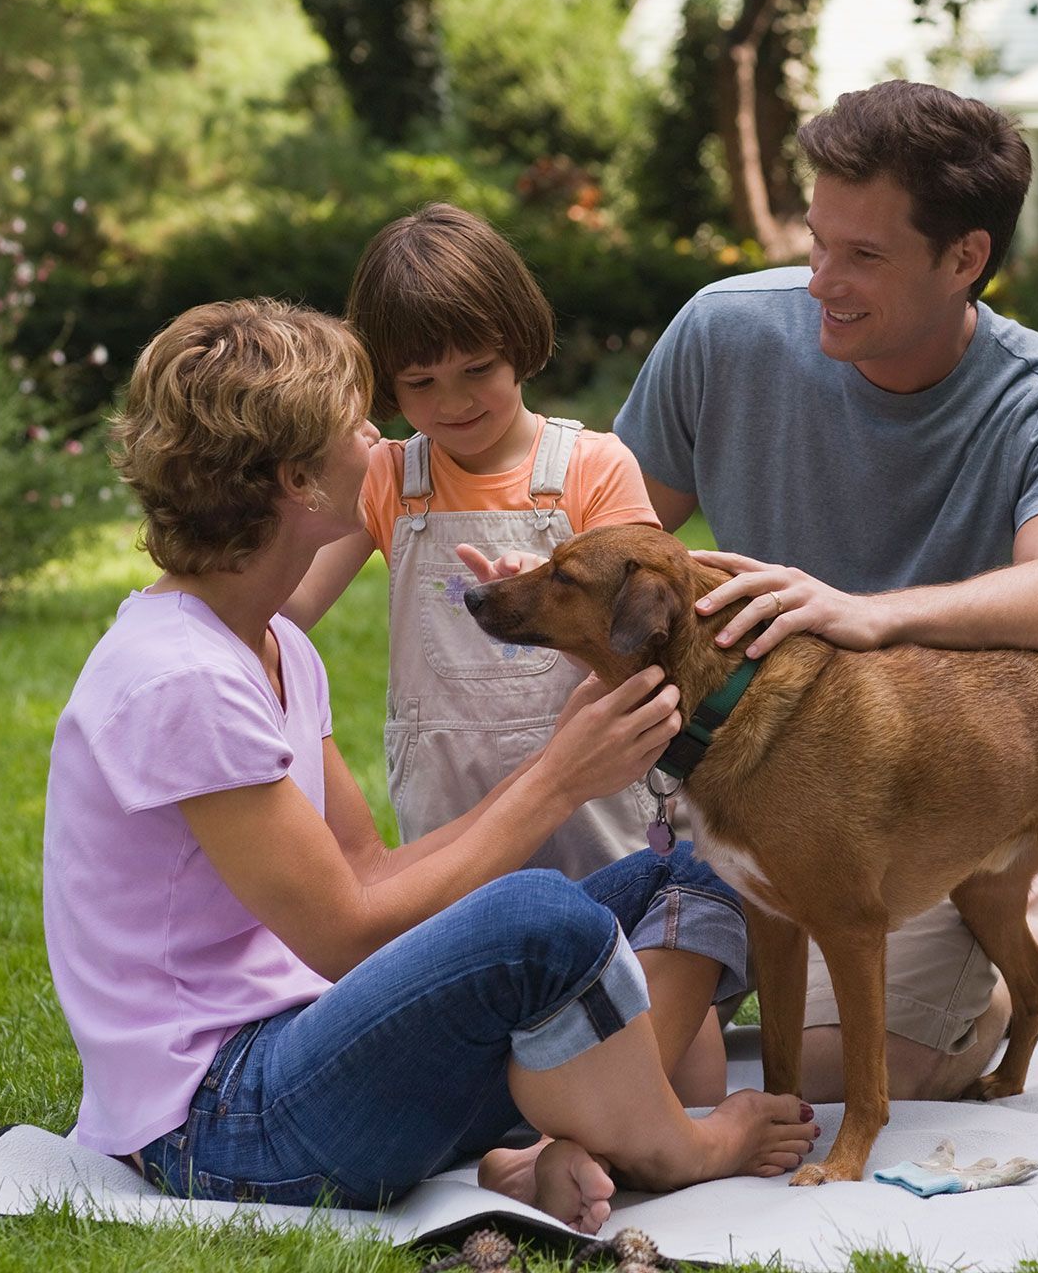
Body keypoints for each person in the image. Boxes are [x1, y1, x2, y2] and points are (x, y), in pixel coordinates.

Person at [42, 298, 816, 1233]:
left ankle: (552, 1145)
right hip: (223, 1119)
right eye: (355, 421)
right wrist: (557, 779)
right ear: (298, 480)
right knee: (541, 916)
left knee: (698, 875)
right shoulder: (181, 679)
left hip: (309, 1047)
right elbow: (347, 935)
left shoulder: (274, 643)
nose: (378, 433)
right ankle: (678, 1145)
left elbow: (367, 872)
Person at [613, 80, 1038, 1103]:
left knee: (829, 1067)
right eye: (818, 243)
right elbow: (622, 533)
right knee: (613, 1037)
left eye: (864, 257)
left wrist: (870, 612)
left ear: (965, 257)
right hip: (732, 770)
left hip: (907, 804)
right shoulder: (724, 335)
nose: (821, 283)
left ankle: (1021, 918)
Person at [280, 205, 728, 1102]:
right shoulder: (389, 481)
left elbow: (660, 617)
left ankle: (611, 1109)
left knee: (680, 1062)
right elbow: (285, 611)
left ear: (522, 341)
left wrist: (549, 580)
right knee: (490, 1025)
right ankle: (545, 1123)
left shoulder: (593, 468)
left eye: (477, 369)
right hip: (454, 818)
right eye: (421, 382)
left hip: (598, 806)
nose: (454, 403)